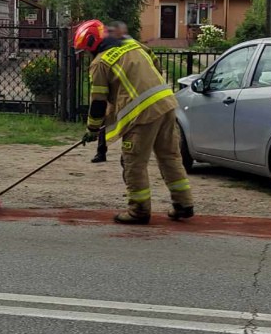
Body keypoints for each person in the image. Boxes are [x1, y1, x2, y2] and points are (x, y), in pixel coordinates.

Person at [74, 18, 193, 224]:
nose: (86, 55)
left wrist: (92, 129)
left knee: (133, 162)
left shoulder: (100, 63)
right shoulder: (133, 44)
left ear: (92, 44)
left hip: (142, 115)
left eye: (85, 50)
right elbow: (157, 66)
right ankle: (184, 204)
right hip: (166, 104)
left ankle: (138, 211)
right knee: (170, 156)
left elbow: (98, 102)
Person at [91, 19, 132, 163]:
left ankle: (126, 153)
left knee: (128, 124)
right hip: (115, 93)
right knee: (104, 120)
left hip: (127, 94)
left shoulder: (127, 45)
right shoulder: (110, 48)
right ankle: (101, 151)